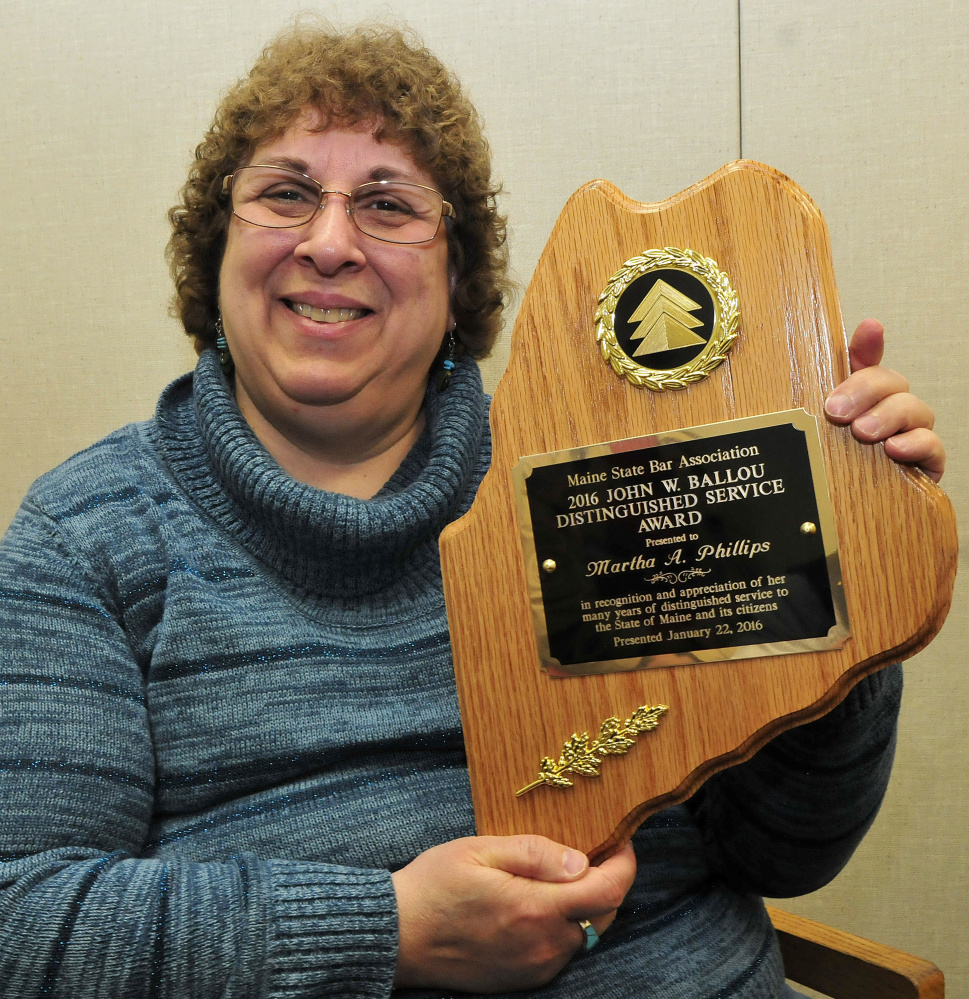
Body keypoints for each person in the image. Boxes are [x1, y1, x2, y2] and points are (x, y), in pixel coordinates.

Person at [0, 22, 945, 999]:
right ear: (216, 247)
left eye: (387, 204)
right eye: (284, 194)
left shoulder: (598, 484)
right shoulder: (85, 537)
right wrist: (388, 931)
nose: (329, 243)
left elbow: (786, 853)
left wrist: (837, 573)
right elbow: (19, 922)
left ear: (459, 282)